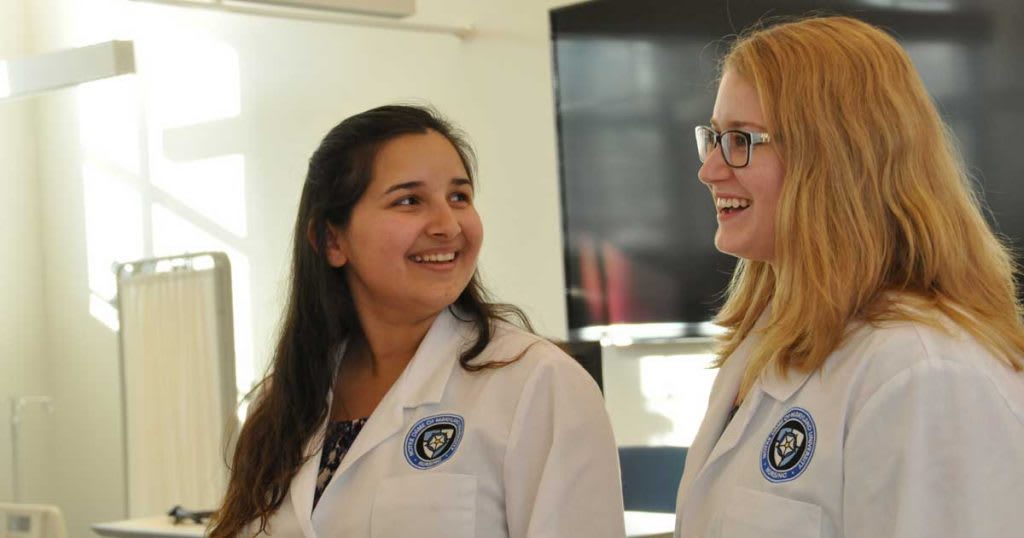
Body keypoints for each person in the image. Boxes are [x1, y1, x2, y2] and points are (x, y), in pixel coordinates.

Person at [675, 16, 1024, 538]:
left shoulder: (927, 374)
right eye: (715, 138)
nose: (710, 171)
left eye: (743, 139)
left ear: (838, 156)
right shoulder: (764, 343)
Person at [208, 105, 625, 538]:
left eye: (459, 197)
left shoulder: (539, 383)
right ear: (332, 240)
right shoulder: (283, 401)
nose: (447, 225)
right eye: (409, 200)